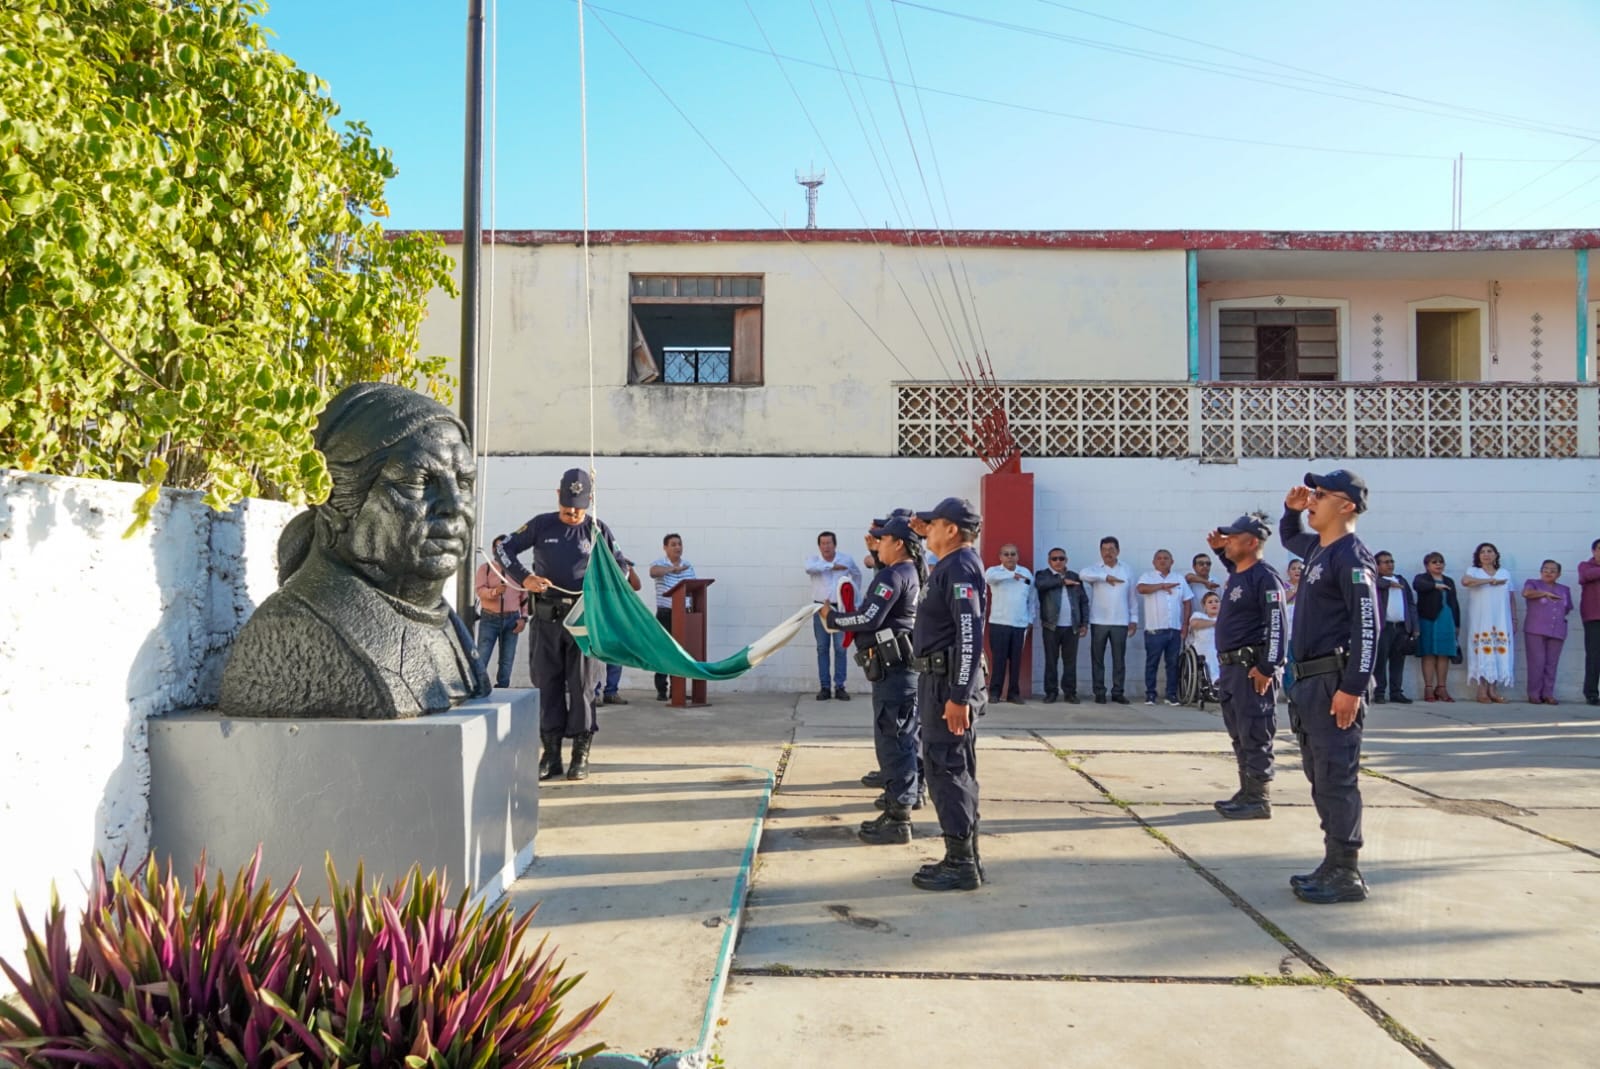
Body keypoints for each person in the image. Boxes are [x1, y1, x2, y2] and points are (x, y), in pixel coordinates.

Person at [219, 383, 491, 718]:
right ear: (336, 502)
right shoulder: (299, 630)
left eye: (464, 483)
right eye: (418, 482)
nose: (453, 506)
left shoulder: (444, 624)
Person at [496, 467, 641, 782]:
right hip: (547, 621)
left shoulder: (597, 529)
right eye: (566, 507)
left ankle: (580, 754)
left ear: (589, 500)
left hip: (583, 623)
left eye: (578, 507)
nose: (572, 513)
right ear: (557, 497)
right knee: (547, 685)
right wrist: (526, 578)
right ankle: (550, 755)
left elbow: (621, 565)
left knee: (582, 687)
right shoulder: (541, 525)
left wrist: (608, 582)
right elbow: (503, 548)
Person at [1279, 469, 1379, 904]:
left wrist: (1353, 687)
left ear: (1347, 505)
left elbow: (1367, 625)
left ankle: (1346, 871)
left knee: (1337, 776)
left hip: (1334, 681)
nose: (1312, 499)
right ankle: (1331, 861)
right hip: (1309, 683)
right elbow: (1287, 536)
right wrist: (1290, 509)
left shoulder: (1352, 557)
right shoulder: (1319, 550)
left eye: (1321, 494)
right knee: (1319, 775)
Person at [819, 516, 926, 845]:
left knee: (894, 741)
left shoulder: (894, 574)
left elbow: (869, 617)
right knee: (900, 737)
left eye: (881, 540)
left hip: (895, 673)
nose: (876, 545)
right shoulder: (906, 570)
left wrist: (832, 617)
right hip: (897, 670)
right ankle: (902, 804)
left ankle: (898, 817)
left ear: (898, 543)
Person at [907, 497, 988, 892]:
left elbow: (969, 635)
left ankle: (960, 863)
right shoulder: (950, 565)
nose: (928, 531)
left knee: (947, 768)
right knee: (951, 766)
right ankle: (965, 854)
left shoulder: (960, 568)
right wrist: (925, 534)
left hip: (947, 685)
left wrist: (958, 696)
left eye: (934, 525)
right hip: (940, 681)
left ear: (952, 529)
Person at [1204, 514, 1287, 822]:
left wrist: (1268, 666)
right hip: (1231, 669)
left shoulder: (1266, 577)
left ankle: (1258, 798)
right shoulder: (1240, 572)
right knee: (1239, 732)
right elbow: (1234, 570)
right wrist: (1218, 552)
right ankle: (1246, 791)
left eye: (1233, 538)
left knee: (1255, 731)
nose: (1227, 542)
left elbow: (1278, 625)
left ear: (1252, 543)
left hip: (1252, 668)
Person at [1080, 536, 1138, 705]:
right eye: (1104, 550)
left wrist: (1134, 619)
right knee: (1097, 658)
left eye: (1111, 550)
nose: (1108, 553)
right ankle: (1099, 692)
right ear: (1100, 551)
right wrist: (1106, 577)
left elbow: (1132, 597)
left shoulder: (1126, 569)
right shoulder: (1095, 569)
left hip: (1120, 621)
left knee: (1119, 660)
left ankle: (1117, 692)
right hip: (1099, 620)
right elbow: (1083, 575)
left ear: (1118, 551)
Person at [805, 531, 862, 701]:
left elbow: (857, 575)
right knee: (822, 648)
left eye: (829, 543)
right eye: (823, 543)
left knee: (840, 648)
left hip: (840, 609)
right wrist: (831, 567)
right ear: (819, 546)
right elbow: (809, 569)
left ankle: (840, 687)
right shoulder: (814, 561)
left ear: (835, 545)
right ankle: (824, 687)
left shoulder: (846, 559)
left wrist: (855, 599)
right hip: (820, 608)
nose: (826, 547)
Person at [1136, 549, 1193, 706]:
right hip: (1154, 630)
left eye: (1166, 558)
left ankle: (1171, 695)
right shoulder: (1147, 577)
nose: (1162, 561)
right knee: (1152, 663)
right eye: (1159, 558)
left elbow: (1187, 601)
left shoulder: (1179, 579)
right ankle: (1150, 695)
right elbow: (1141, 589)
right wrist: (1161, 586)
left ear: (1172, 561)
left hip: (1174, 630)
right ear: (1154, 562)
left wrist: (1185, 624)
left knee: (1173, 664)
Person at [1462, 542, 1516, 704]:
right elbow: (1465, 581)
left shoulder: (1504, 573)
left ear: (1496, 555)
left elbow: (1511, 597)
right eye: (1482, 552)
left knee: (1499, 651)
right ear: (1478, 556)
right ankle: (1481, 689)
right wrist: (1490, 581)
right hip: (1481, 619)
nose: (1486, 554)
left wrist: (1514, 618)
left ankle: (1493, 689)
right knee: (1482, 650)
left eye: (1490, 551)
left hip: (1500, 619)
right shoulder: (1474, 571)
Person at [985, 544, 1037, 704]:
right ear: (1000, 557)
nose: (1009, 557)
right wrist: (1010, 576)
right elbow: (987, 579)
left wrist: (1030, 619)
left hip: (1019, 624)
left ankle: (1013, 693)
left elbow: (1032, 599)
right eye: (1006, 554)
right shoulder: (994, 572)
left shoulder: (1026, 573)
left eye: (1013, 554)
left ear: (1017, 556)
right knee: (999, 660)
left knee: (1016, 662)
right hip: (999, 623)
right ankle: (994, 692)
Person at [1035, 548, 1089, 704]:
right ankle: (1051, 692)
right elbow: (1041, 585)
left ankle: (1070, 692)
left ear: (1066, 560)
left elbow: (1083, 601)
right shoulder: (1043, 575)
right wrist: (1061, 581)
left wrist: (1084, 623)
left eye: (1061, 558)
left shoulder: (1074, 576)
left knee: (1070, 662)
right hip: (1051, 626)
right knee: (1051, 661)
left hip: (1072, 626)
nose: (1058, 561)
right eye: (1054, 559)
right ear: (1049, 561)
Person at [474, 537, 528, 690]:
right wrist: (494, 592)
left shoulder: (518, 570)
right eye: (498, 548)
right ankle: (479, 687)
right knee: (482, 656)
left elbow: (524, 597)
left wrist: (523, 619)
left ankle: (502, 688)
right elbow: (480, 590)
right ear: (492, 550)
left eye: (506, 548)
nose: (502, 552)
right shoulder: (486, 568)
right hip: (490, 618)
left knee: (507, 659)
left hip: (512, 619)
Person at [649, 533, 696, 701]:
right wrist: (672, 569)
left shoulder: (688, 565)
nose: (678, 547)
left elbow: (693, 587)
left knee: (681, 652)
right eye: (673, 544)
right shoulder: (659, 564)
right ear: (665, 548)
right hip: (666, 614)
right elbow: (653, 572)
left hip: (684, 614)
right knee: (663, 651)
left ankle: (678, 689)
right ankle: (662, 689)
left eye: (679, 544)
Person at [1522, 560, 1574, 705]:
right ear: (1541, 571)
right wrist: (1545, 593)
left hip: (1557, 630)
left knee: (1552, 664)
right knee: (1536, 663)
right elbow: (1526, 593)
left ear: (1559, 574)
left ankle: (1548, 694)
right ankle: (1534, 694)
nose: (1548, 572)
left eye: (1553, 570)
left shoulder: (1565, 589)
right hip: (1535, 629)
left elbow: (1568, 608)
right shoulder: (1533, 583)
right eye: (1545, 569)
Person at [1412, 553, 1462, 702]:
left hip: (1446, 619)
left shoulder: (1449, 581)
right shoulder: (1422, 578)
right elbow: (1418, 586)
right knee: (1428, 653)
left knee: (1443, 654)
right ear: (1427, 565)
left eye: (1441, 562)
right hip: (1428, 619)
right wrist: (1435, 586)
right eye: (1434, 562)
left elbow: (1454, 603)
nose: (1438, 564)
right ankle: (1428, 688)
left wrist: (1457, 624)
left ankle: (1441, 687)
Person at [1372, 550, 1418, 704]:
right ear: (1377, 565)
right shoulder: (1374, 580)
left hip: (1401, 628)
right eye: (1385, 562)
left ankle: (1396, 692)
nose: (1390, 564)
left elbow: (1411, 604)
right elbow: (1374, 583)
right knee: (1380, 661)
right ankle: (1379, 693)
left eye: (1391, 561)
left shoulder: (1401, 581)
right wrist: (1388, 583)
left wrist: (1414, 626)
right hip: (1384, 628)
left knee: (1398, 661)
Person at [1578, 539, 1600, 706]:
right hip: (1594, 617)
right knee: (1594, 657)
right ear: (1593, 551)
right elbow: (1586, 577)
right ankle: (1591, 694)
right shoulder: (1585, 566)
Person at [1187, 591, 1222, 687]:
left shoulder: (1226, 618)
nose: (1214, 604)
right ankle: (1216, 679)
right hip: (1202, 649)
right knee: (1212, 650)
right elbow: (1194, 624)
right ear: (1204, 606)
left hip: (1221, 648)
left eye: (1216, 601)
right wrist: (1215, 623)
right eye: (1210, 602)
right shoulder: (1199, 615)